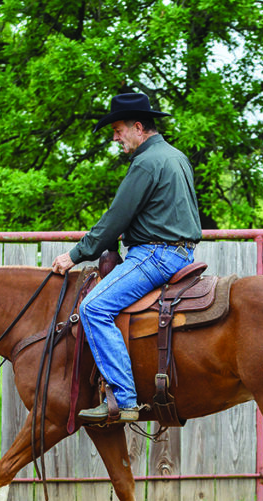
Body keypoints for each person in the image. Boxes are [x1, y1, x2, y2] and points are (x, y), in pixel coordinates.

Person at [50, 92, 202, 422]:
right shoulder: (175, 156)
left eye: (118, 130)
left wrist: (75, 255)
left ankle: (125, 399)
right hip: (178, 251)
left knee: (93, 307)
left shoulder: (146, 162)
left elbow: (117, 216)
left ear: (137, 127)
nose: (115, 137)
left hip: (156, 254)